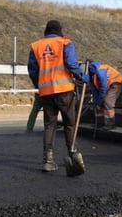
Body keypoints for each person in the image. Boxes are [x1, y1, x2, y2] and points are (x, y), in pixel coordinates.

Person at [28, 20, 88, 173]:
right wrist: (81, 76)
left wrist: (39, 85)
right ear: (59, 30)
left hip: (46, 93)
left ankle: (48, 161)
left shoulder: (36, 46)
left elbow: (33, 71)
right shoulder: (65, 43)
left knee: (50, 125)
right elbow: (71, 64)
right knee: (69, 124)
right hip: (64, 91)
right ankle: (72, 154)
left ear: (46, 31)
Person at [85, 61, 122, 129]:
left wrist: (99, 102)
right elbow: (95, 92)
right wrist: (97, 103)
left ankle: (110, 124)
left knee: (108, 102)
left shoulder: (101, 72)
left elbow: (103, 89)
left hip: (116, 82)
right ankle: (99, 123)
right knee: (98, 104)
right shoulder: (91, 76)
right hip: (107, 85)